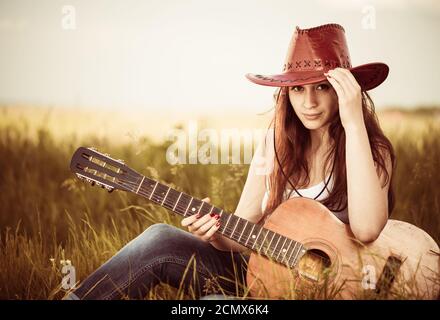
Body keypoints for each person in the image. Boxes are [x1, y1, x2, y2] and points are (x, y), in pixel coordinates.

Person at [63, 23, 395, 300]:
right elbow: (242, 230)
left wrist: (353, 123)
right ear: (286, 93)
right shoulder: (274, 145)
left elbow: (367, 228)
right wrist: (214, 234)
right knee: (160, 238)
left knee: (216, 305)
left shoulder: (371, 148)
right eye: (297, 89)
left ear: (345, 90)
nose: (308, 102)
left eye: (322, 87)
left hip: (341, 290)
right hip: (264, 277)